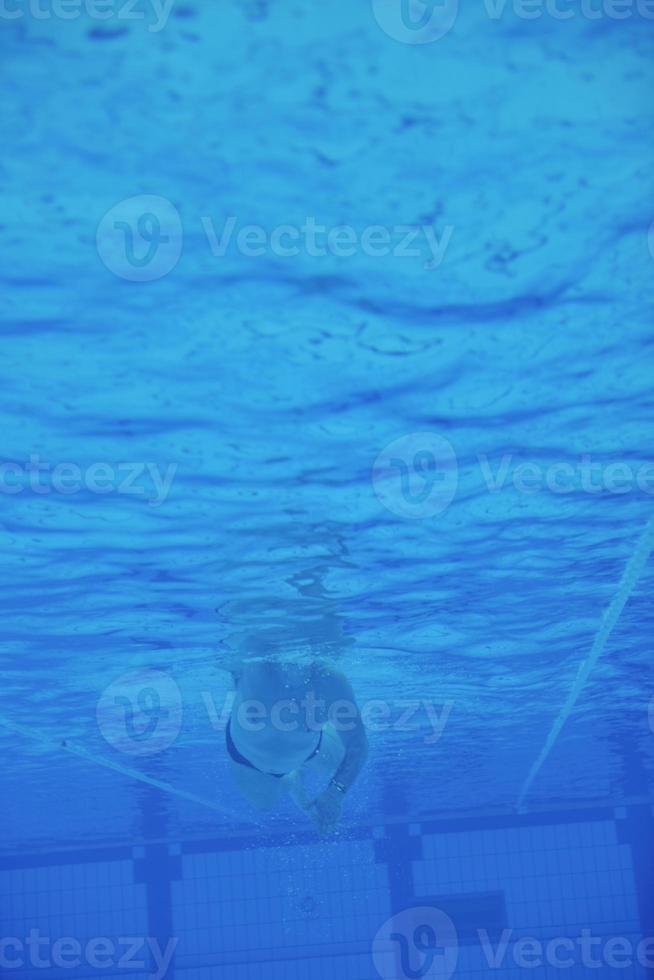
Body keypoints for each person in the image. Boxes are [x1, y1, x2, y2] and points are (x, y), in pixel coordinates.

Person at [224, 659, 368, 835]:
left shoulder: (330, 681)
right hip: (250, 758)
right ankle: (291, 779)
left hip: (309, 747)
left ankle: (311, 742)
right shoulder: (254, 662)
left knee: (338, 763)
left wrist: (335, 794)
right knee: (264, 803)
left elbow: (358, 745)